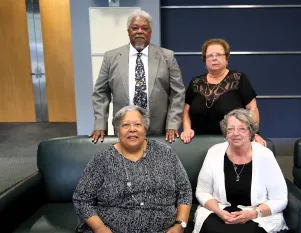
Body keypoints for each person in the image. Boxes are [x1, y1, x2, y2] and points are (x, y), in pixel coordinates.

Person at [73, 105, 192, 233]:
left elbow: (184, 191)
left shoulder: (165, 153)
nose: (132, 129)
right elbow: (82, 199)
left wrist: (179, 225)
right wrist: (99, 228)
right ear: (117, 130)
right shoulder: (102, 159)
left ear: (145, 129)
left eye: (137, 124)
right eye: (125, 125)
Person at [90, 9, 185, 144]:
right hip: (124, 129)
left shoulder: (167, 57)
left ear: (150, 32)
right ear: (128, 31)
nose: (139, 31)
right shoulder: (111, 57)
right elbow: (100, 93)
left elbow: (178, 93)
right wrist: (100, 125)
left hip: (158, 130)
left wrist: (172, 124)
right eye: (135, 28)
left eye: (144, 28)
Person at [193, 108, 288, 233]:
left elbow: (279, 199)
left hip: (255, 214)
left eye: (242, 129)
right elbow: (202, 192)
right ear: (226, 133)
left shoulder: (265, 155)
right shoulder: (214, 152)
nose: (235, 133)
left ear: (251, 132)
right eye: (230, 129)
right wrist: (218, 211)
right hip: (220, 211)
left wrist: (254, 213)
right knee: (212, 229)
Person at [180, 38, 265, 146]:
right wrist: (187, 129)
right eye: (210, 55)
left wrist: (253, 133)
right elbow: (185, 110)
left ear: (227, 58)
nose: (214, 58)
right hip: (198, 143)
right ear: (205, 60)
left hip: (233, 142)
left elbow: (252, 109)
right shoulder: (195, 82)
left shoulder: (239, 78)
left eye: (219, 55)